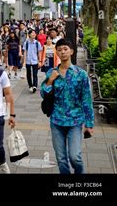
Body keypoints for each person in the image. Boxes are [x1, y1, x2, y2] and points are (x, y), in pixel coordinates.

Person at [40, 39, 94, 174]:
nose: (62, 52)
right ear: (56, 52)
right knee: (61, 158)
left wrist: (89, 124)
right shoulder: (51, 73)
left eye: (65, 49)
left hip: (75, 121)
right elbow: (43, 93)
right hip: (56, 120)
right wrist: (51, 79)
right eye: (59, 50)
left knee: (75, 157)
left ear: (71, 51)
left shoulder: (80, 74)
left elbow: (87, 99)